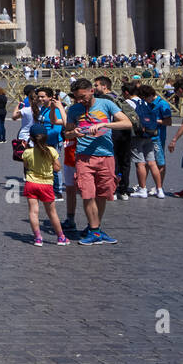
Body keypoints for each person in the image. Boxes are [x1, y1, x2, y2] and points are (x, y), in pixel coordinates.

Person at [64, 77, 132, 244]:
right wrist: (74, 134)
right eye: (77, 98)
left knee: (102, 194)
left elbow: (127, 123)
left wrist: (105, 125)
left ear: (91, 91)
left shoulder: (106, 104)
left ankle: (95, 227)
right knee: (87, 194)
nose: (80, 101)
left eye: (83, 97)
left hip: (106, 155)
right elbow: (66, 134)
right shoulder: (73, 110)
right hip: (83, 156)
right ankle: (94, 231)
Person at [21, 124, 67, 246]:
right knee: (52, 213)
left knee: (33, 212)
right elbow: (57, 168)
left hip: (31, 183)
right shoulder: (51, 151)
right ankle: (61, 237)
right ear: (46, 137)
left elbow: (26, 166)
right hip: (46, 184)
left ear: (31, 137)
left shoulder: (28, 152)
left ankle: (37, 238)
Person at [94, 76, 133, 200]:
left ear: (104, 86)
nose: (94, 88)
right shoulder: (118, 96)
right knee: (125, 161)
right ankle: (124, 189)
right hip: (126, 131)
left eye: (96, 85)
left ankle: (113, 189)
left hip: (113, 130)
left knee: (112, 161)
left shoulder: (102, 99)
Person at [129, 85, 164, 198]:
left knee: (140, 163)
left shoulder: (133, 103)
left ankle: (143, 189)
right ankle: (160, 190)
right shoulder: (148, 104)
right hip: (150, 135)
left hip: (138, 136)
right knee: (152, 163)